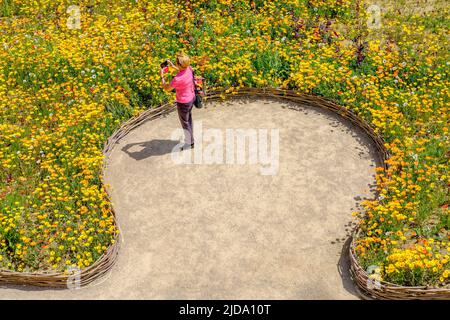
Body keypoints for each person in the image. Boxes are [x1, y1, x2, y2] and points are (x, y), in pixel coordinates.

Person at [161, 53, 196, 150]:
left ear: (180, 65)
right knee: (188, 120)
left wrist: (162, 76)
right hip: (191, 98)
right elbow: (182, 70)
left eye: (177, 63)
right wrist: (173, 66)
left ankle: (190, 143)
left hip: (183, 103)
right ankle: (191, 139)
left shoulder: (177, 79)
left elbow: (167, 88)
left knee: (185, 122)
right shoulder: (189, 68)